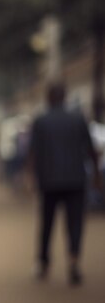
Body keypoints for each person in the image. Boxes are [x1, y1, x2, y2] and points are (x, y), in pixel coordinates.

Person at [28, 82, 101, 285]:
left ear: (49, 98)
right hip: (75, 180)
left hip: (49, 180)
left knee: (47, 223)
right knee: (75, 222)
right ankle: (74, 260)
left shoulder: (41, 121)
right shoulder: (78, 119)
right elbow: (91, 150)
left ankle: (43, 262)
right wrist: (96, 175)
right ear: (65, 97)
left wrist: (30, 177)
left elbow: (33, 152)